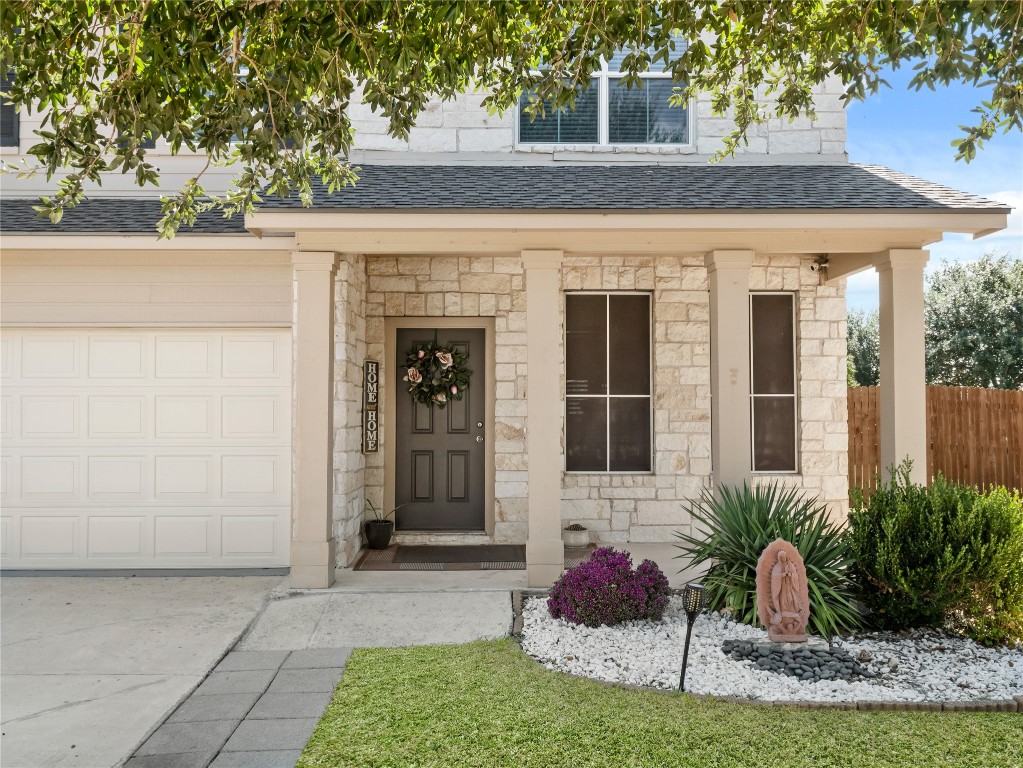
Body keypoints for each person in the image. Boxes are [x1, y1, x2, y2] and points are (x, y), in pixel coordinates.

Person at [770, 549, 804, 635]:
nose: (784, 558)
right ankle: (782, 612)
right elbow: (774, 578)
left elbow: (795, 575)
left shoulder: (790, 565)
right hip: (782, 588)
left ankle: (793, 611)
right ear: (779, 558)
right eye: (782, 557)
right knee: (783, 600)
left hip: (790, 586)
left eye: (785, 557)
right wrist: (781, 575)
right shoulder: (777, 567)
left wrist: (791, 575)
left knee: (792, 599)